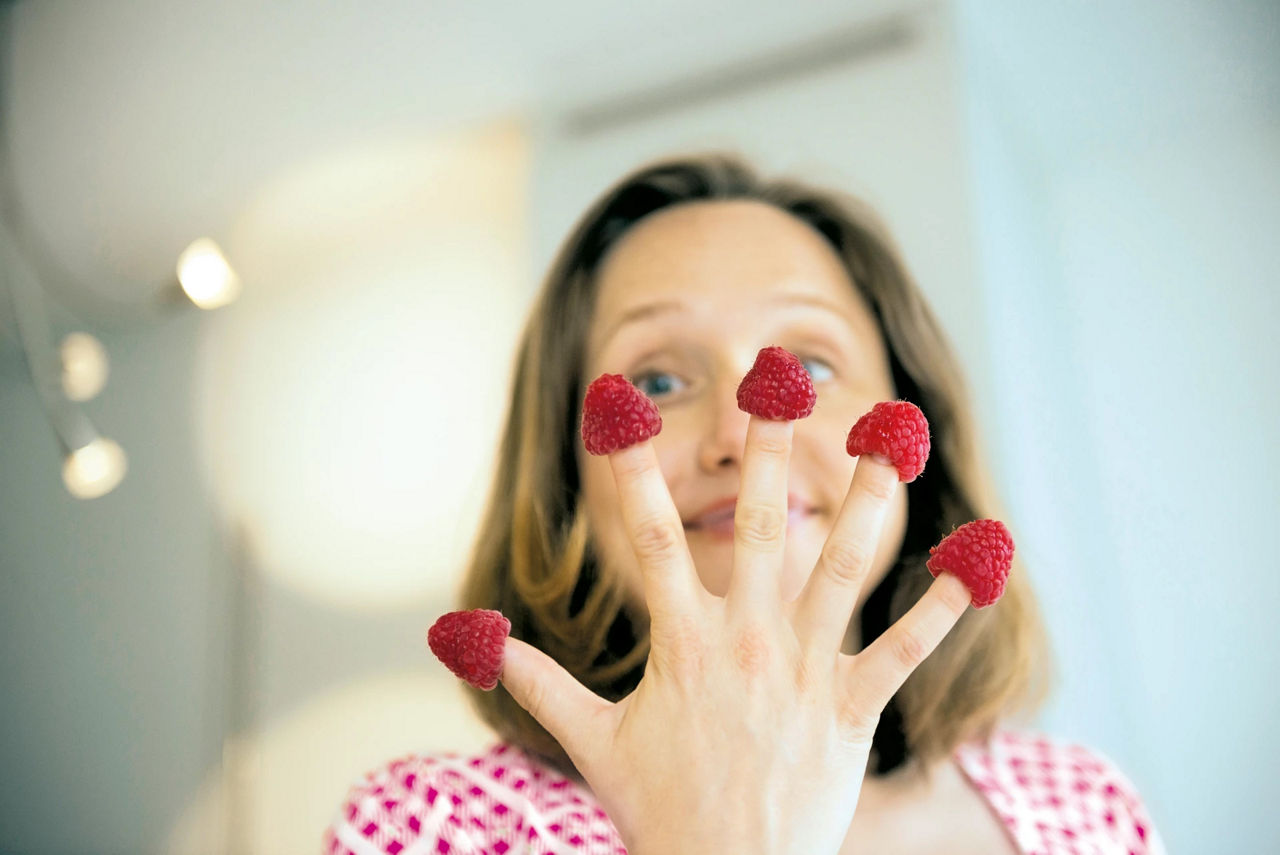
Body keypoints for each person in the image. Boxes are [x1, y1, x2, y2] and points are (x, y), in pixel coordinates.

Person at [323, 153, 1166, 854]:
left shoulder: (1086, 808)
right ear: (563, 477)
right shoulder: (434, 825)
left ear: (923, 428)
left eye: (814, 361)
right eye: (659, 378)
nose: (746, 428)